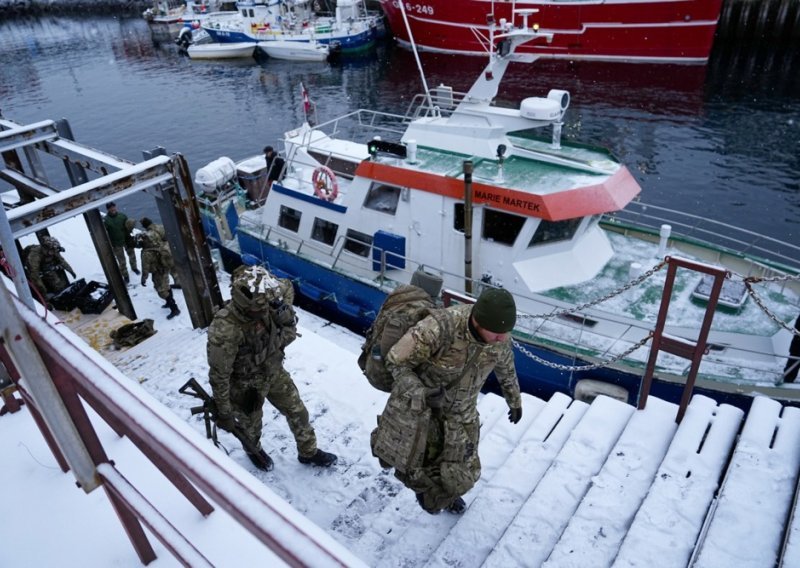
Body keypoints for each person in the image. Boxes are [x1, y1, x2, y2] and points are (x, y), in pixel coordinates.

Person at [376, 287, 523, 515]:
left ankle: (447, 494)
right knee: (420, 466)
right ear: (477, 321)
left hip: (463, 413)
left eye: (505, 332)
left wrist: (514, 400)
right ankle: (430, 493)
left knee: (466, 469)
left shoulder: (499, 334)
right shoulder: (439, 328)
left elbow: (505, 367)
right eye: (496, 333)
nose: (502, 339)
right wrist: (420, 393)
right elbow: (396, 361)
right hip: (426, 411)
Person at [206, 264, 337, 471]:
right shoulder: (225, 330)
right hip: (246, 385)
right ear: (244, 305)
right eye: (260, 308)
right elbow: (219, 375)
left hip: (273, 371)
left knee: (298, 412)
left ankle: (308, 451)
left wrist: (285, 314)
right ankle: (253, 450)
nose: (265, 310)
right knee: (251, 428)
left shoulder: (269, 297)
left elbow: (287, 287)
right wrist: (225, 413)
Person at [138, 217, 180, 319]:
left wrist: (143, 279)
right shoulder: (158, 244)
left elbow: (145, 268)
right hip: (165, 265)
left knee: (161, 290)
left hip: (158, 270)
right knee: (166, 285)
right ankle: (169, 302)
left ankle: (174, 308)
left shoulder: (146, 253)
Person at [102, 202, 139, 284]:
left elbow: (128, 226)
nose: (113, 209)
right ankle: (125, 275)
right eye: (111, 208)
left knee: (132, 255)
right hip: (116, 243)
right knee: (121, 261)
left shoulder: (122, 216)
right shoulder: (106, 220)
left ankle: (134, 268)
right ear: (108, 209)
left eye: (113, 207)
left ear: (116, 207)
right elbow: (104, 232)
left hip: (126, 239)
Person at [783, 314, 800, 383]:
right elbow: (797, 327)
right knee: (792, 367)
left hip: (796, 347)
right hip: (797, 347)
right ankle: (787, 382)